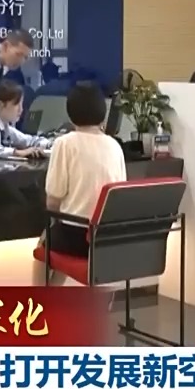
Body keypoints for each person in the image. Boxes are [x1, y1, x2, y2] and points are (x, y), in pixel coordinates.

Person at [42, 81, 127, 263]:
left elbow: (53, 201)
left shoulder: (64, 143)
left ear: (70, 112)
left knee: (43, 241)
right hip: (108, 238)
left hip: (77, 236)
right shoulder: (115, 145)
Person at [0, 81, 51, 159]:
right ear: (0, 105)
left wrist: (50, 144)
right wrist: (17, 152)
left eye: (21, 104)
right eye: (16, 104)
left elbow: (28, 141)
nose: (21, 109)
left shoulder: (5, 127)